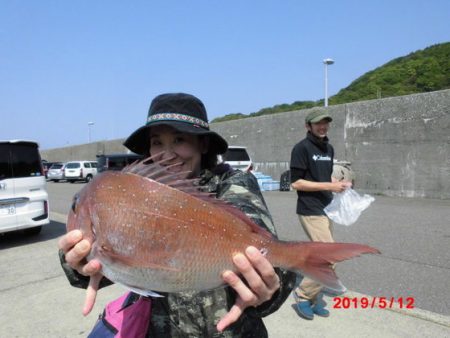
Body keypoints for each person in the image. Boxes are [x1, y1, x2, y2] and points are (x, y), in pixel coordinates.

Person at [58, 92, 296, 337]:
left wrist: (267, 290)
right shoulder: (140, 193)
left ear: (202, 144)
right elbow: (121, 258)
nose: (167, 154)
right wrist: (80, 263)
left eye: (179, 140)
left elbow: (262, 245)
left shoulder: (232, 183)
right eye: (157, 142)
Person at [289, 109, 352, 320]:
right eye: (317, 124)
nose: (322, 126)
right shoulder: (301, 148)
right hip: (310, 209)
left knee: (322, 255)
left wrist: (337, 186)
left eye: (325, 123)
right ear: (308, 126)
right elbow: (296, 182)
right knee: (329, 256)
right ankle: (303, 295)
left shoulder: (329, 148)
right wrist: (329, 186)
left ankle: (314, 299)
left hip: (326, 207)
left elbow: (323, 177)